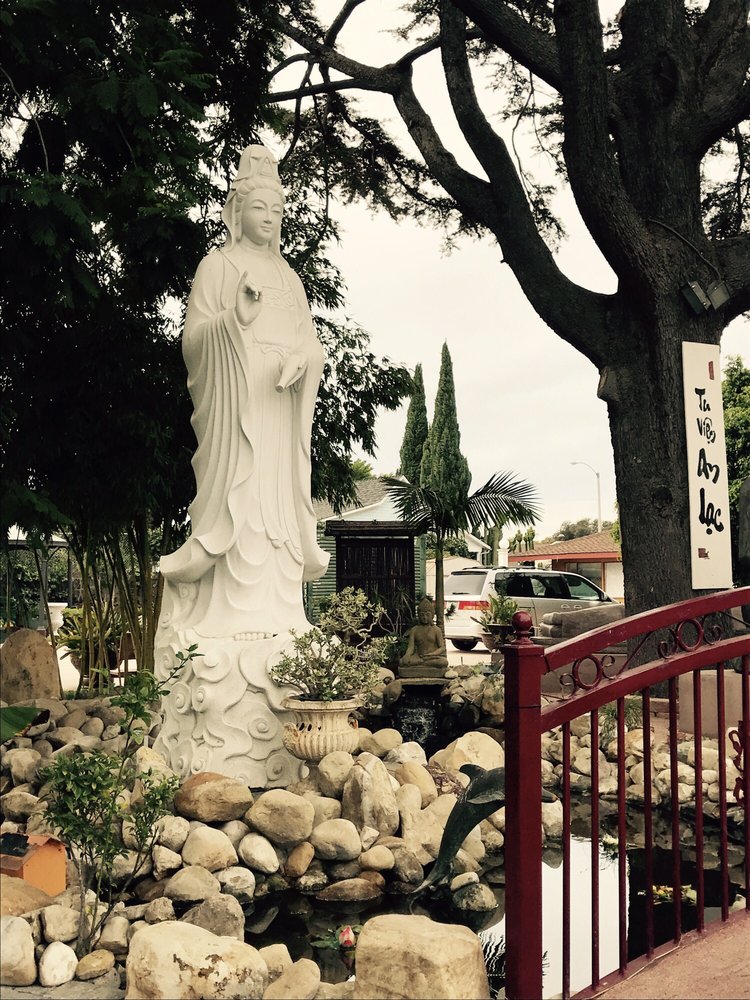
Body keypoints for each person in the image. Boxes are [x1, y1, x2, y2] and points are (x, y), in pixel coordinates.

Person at [160, 146, 329, 639]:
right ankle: (229, 617)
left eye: (278, 211)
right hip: (238, 415)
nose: (270, 219)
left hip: (279, 410)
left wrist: (304, 359)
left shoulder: (290, 278)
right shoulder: (218, 267)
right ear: (237, 210)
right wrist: (235, 320)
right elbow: (194, 340)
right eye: (260, 208)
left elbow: (310, 343)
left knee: (275, 509)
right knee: (242, 503)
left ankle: (279, 615)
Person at [399, 596, 449, 676]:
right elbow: (411, 647)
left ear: (432, 615)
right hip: (418, 657)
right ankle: (423, 663)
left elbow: (442, 647)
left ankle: (423, 664)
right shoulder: (414, 630)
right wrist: (407, 655)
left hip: (432, 657)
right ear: (418, 615)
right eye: (422, 615)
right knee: (402, 662)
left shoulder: (436, 630)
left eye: (427, 615)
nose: (424, 617)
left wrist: (433, 654)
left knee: (443, 662)